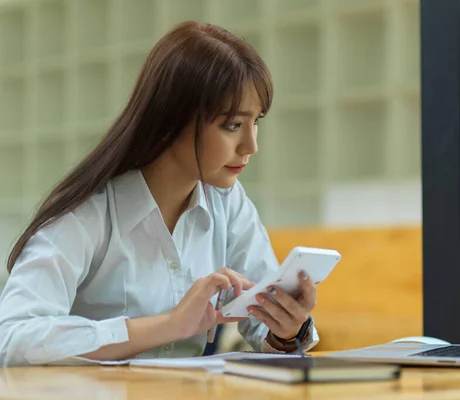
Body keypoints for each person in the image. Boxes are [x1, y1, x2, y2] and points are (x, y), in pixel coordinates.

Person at [0, 21, 319, 367]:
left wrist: (285, 331)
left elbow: (262, 323)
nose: (251, 145)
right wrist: (167, 326)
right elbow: (13, 338)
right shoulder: (89, 211)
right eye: (233, 125)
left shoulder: (228, 201)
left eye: (256, 121)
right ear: (173, 119)